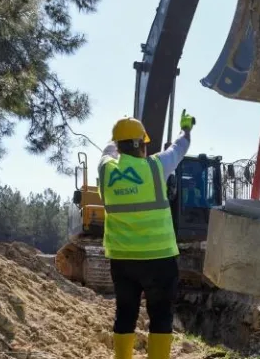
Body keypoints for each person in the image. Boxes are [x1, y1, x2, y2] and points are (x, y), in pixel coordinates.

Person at [98, 109, 196, 359]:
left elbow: (106, 152)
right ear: (142, 145)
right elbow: (179, 147)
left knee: (125, 314)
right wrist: (185, 128)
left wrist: (117, 135)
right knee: (161, 317)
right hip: (159, 259)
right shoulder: (156, 167)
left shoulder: (105, 171)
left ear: (119, 146)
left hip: (122, 260)